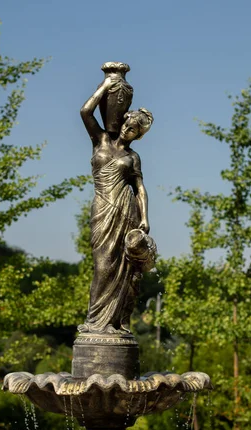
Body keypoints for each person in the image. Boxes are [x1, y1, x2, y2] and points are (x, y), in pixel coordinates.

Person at [78, 77, 154, 335]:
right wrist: (105, 85)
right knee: (103, 265)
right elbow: (85, 111)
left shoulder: (133, 158)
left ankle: (116, 322)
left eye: (133, 129)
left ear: (138, 135)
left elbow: (140, 189)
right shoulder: (100, 141)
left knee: (124, 269)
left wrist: (144, 218)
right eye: (126, 124)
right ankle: (95, 322)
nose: (126, 129)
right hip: (103, 209)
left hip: (126, 211)